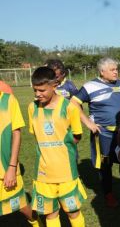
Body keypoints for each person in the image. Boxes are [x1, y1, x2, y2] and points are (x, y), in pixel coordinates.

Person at [28, 67, 86, 227]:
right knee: (50, 214)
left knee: (73, 212)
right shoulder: (32, 108)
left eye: (42, 90)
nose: (37, 94)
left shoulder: (69, 107)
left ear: (54, 85)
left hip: (66, 173)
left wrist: (61, 149)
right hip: (43, 174)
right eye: (35, 90)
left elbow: (77, 136)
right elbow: (36, 135)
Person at [71, 57, 120, 207]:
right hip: (103, 134)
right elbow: (73, 103)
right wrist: (88, 122)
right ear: (102, 71)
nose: (116, 72)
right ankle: (108, 194)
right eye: (112, 70)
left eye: (116, 69)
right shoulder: (90, 86)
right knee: (105, 164)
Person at [0, 91, 41, 226]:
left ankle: (37, 223)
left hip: (5, 170)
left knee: (23, 207)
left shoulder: (8, 100)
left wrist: (12, 168)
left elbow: (16, 134)